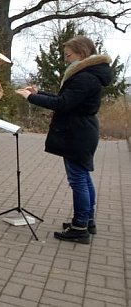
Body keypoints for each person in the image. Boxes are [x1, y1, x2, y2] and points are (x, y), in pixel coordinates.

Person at [15, 36, 112, 244]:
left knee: (78, 179)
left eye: (68, 55)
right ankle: (87, 221)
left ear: (82, 53)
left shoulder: (85, 77)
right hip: (82, 130)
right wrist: (39, 93)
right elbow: (67, 98)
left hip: (77, 133)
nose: (66, 59)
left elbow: (63, 103)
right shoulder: (88, 74)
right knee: (83, 177)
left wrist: (30, 97)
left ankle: (80, 228)